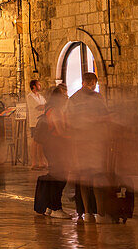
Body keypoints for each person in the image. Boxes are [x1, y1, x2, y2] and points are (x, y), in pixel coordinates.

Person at [68, 72, 110, 222]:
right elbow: (106, 117)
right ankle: (100, 213)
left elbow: (68, 122)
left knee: (84, 178)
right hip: (95, 141)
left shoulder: (72, 99)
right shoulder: (97, 98)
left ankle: (87, 213)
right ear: (92, 82)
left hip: (79, 143)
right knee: (97, 177)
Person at [34, 84, 71, 218]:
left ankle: (50, 206)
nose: (66, 97)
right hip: (56, 146)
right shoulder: (55, 111)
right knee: (60, 176)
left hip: (53, 146)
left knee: (55, 175)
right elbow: (60, 131)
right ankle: (56, 207)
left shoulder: (51, 109)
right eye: (64, 95)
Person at [26, 80, 48, 170]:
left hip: (41, 121)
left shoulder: (41, 96)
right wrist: (45, 106)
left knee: (41, 142)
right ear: (34, 86)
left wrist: (45, 106)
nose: (40, 85)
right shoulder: (30, 97)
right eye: (38, 84)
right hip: (35, 122)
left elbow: (45, 105)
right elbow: (39, 107)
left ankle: (41, 161)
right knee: (35, 142)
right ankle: (34, 162)